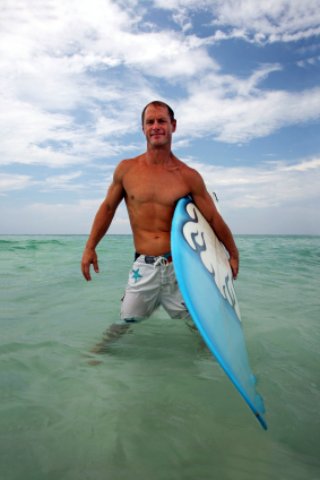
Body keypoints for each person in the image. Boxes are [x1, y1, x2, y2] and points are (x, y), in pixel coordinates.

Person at [81, 100, 239, 349]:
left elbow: (212, 218)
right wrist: (90, 247)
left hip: (180, 269)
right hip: (143, 267)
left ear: (173, 126)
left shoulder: (188, 176)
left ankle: (211, 367)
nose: (156, 126)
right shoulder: (127, 170)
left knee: (202, 331)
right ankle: (93, 362)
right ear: (143, 128)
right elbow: (108, 208)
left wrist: (233, 253)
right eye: (150, 122)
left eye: (161, 121)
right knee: (123, 324)